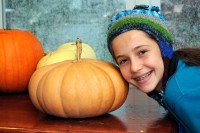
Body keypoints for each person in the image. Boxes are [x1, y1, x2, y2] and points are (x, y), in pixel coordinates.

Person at [107, 5, 200, 133]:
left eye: (142, 52)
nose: (134, 67)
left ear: (163, 48)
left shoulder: (180, 93)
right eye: (123, 60)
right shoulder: (180, 63)